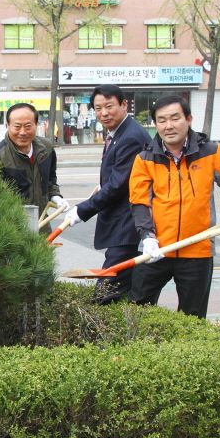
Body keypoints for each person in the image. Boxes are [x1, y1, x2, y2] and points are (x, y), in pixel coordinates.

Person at [128, 95, 220, 319]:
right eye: (161, 120)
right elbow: (139, 201)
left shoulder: (211, 151)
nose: (168, 126)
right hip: (156, 250)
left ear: (188, 119)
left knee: (193, 316)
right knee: (137, 310)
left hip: (197, 249)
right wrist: (147, 236)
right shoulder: (145, 158)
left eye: (174, 118)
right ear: (155, 125)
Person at [64, 85, 151, 304]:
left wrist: (83, 210)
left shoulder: (131, 136)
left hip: (127, 223)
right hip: (122, 221)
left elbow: (117, 186)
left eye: (109, 106)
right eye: (98, 108)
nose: (104, 113)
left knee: (107, 292)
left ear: (124, 105)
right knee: (118, 287)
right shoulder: (119, 132)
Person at [0, 102, 69, 233]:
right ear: (8, 125)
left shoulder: (46, 148)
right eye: (17, 126)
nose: (23, 132)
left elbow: (50, 179)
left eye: (28, 126)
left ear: (36, 125)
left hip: (42, 223)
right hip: (12, 229)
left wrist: (55, 195)